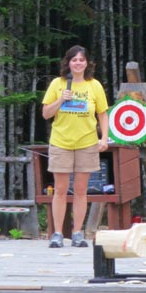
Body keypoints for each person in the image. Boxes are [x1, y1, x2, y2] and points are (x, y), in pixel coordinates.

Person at [42, 45, 109, 248]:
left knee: (81, 190)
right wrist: (61, 99)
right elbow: (46, 113)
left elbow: (102, 114)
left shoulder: (94, 85)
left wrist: (104, 138)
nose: (78, 63)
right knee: (60, 190)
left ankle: (78, 233)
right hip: (61, 142)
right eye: (74, 60)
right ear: (68, 63)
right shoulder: (58, 83)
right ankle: (57, 234)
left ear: (87, 63)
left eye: (81, 60)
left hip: (87, 142)